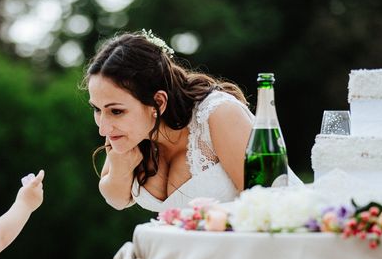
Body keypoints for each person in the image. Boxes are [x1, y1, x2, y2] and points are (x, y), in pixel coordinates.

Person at [85, 29, 292, 212]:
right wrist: (121, 168)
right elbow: (117, 199)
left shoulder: (218, 114)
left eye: (117, 111)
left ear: (158, 102)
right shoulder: (126, 133)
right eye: (96, 109)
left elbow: (265, 204)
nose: (103, 128)